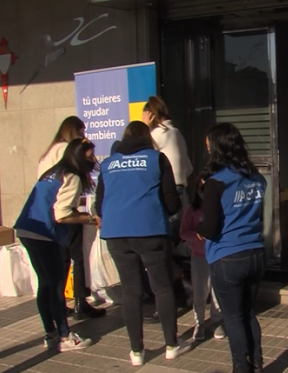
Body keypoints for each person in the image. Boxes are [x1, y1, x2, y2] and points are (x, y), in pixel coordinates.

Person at [94, 121, 190, 367]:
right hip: (150, 230)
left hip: (116, 233)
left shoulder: (108, 163)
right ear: (147, 137)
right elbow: (171, 199)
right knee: (163, 288)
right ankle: (171, 345)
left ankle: (136, 351)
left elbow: (99, 204)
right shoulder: (156, 159)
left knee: (130, 291)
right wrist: (168, 215)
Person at [14, 138, 98, 352]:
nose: (93, 161)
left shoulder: (52, 172)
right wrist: (88, 219)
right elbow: (62, 215)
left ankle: (50, 333)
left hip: (27, 229)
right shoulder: (71, 176)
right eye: (89, 156)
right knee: (56, 284)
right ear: (79, 157)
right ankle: (64, 335)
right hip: (44, 233)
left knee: (46, 283)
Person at [196, 122, 267, 373]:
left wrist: (199, 229)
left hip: (227, 256)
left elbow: (212, 226)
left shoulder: (217, 182)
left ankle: (241, 367)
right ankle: (256, 364)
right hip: (256, 253)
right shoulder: (257, 178)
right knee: (248, 314)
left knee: (233, 317)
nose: (207, 151)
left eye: (208, 147)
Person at [38, 117, 104, 320]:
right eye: (81, 132)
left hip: (47, 213)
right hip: (66, 213)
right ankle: (79, 302)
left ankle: (60, 304)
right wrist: (88, 218)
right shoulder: (66, 153)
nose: (83, 137)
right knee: (77, 256)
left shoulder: (48, 151)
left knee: (62, 260)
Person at [142, 96, 193, 324]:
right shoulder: (177, 133)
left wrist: (144, 127)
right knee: (166, 251)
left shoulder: (158, 134)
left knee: (159, 251)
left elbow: (140, 154)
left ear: (151, 114)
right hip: (181, 193)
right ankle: (181, 292)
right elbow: (189, 167)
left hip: (166, 196)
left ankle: (171, 297)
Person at [180, 178, 224, 341]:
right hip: (199, 256)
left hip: (218, 255)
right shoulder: (192, 209)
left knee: (217, 292)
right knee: (200, 292)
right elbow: (183, 232)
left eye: (206, 187)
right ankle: (199, 322)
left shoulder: (220, 207)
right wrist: (195, 235)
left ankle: (216, 320)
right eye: (200, 187)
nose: (203, 191)